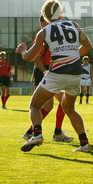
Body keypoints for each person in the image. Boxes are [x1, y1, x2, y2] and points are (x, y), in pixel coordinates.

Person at [16, 0, 92, 152]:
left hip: (56, 74)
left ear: (44, 16)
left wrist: (22, 50)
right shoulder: (74, 26)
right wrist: (71, 57)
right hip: (75, 75)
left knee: (35, 105)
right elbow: (88, 46)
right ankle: (84, 143)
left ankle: (37, 133)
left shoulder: (44, 31)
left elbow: (30, 57)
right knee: (70, 109)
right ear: (60, 12)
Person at [22, 14, 73, 143]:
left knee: (54, 104)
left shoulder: (50, 34)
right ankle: (54, 133)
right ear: (42, 23)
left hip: (50, 71)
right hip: (44, 71)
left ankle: (33, 132)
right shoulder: (43, 34)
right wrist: (45, 71)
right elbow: (35, 57)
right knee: (58, 102)